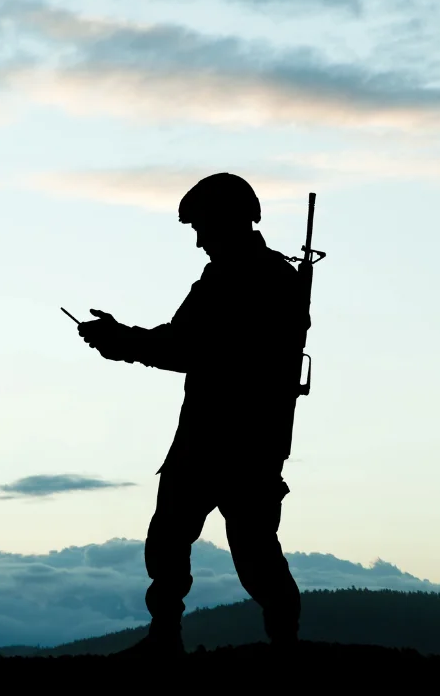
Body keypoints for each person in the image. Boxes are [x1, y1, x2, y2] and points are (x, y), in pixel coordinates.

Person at [77, 173, 306, 658]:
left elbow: (186, 345)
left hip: (233, 440)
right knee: (180, 538)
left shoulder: (249, 279)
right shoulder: (253, 277)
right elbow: (186, 343)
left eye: (203, 227)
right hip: (226, 438)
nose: (199, 240)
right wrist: (126, 340)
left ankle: (276, 644)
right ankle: (186, 637)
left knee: (248, 550)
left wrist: (122, 341)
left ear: (227, 221)